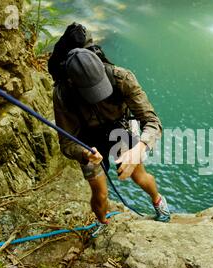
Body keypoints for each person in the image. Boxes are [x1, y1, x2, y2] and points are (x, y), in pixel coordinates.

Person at [51, 39, 171, 229]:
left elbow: (153, 122)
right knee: (100, 194)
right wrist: (84, 152)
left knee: (139, 176)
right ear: (71, 82)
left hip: (119, 129)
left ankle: (158, 201)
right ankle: (103, 223)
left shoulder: (121, 78)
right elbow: (66, 143)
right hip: (87, 140)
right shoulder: (62, 94)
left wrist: (138, 149)